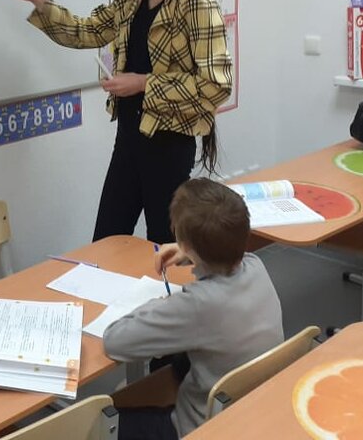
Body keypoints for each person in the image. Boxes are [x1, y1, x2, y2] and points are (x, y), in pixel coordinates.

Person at [0, 0, 232, 244]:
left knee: (164, 250)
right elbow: (89, 31)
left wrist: (143, 83)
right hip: (129, 138)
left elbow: (216, 84)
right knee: (105, 244)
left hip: (168, 146)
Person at [102, 178, 284, 439]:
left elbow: (115, 342)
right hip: (254, 405)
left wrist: (163, 304)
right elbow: (225, 257)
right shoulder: (256, 265)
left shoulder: (197, 305)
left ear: (185, 243)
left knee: (99, 427)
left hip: (205, 427)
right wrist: (190, 252)